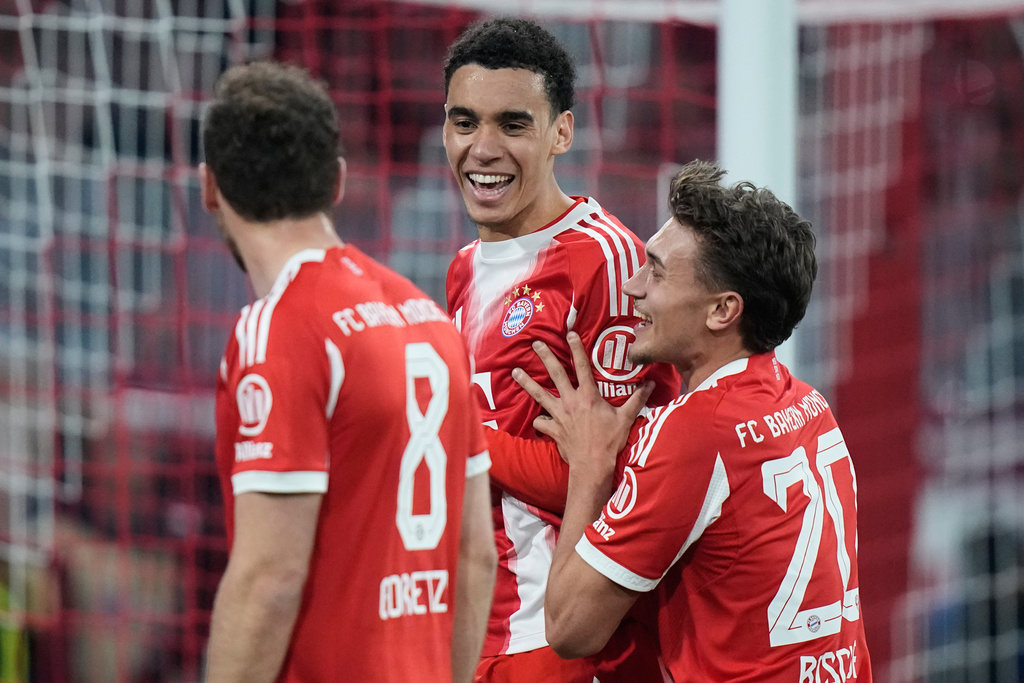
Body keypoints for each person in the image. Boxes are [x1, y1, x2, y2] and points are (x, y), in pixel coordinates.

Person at [504, 160, 873, 682]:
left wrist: (590, 464)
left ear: (722, 311)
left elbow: (569, 629)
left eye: (655, 271)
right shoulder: (812, 408)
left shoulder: (697, 433)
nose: (632, 287)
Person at [200, 61, 496, 683]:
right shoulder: (431, 322)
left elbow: (268, 581)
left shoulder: (277, 330)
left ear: (210, 188)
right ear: (337, 181)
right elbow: (475, 557)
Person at [441, 17, 681, 683]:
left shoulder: (605, 262)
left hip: (558, 641)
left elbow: (618, 480)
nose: (482, 148)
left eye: (512, 124)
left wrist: (447, 428)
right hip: (474, 624)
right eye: (464, 122)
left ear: (561, 133)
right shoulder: (465, 267)